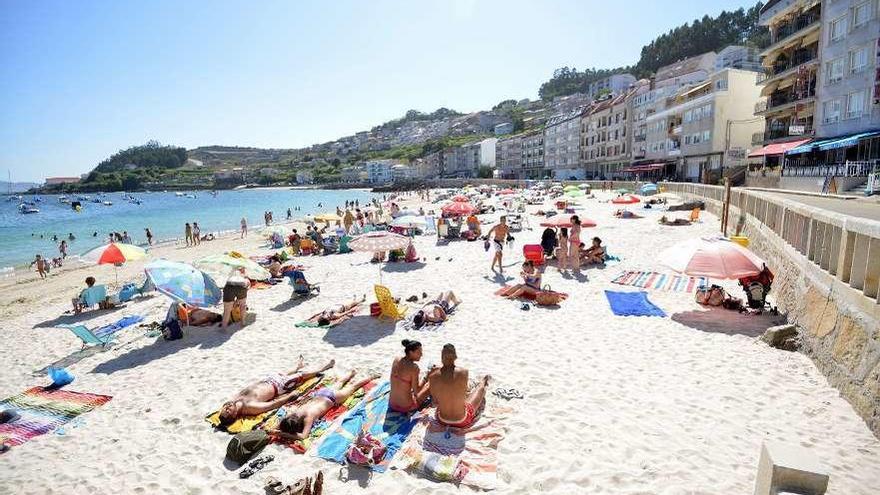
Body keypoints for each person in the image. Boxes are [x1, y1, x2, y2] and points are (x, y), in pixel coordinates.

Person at [217, 357, 336, 428]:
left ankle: (297, 365)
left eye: (224, 408)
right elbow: (272, 405)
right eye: (228, 410)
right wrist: (289, 397)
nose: (227, 407)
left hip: (268, 380)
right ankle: (324, 367)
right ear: (234, 415)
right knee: (302, 375)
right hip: (279, 386)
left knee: (284, 372)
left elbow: (227, 406)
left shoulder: (233, 401)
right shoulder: (250, 407)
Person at [270, 368, 379, 441]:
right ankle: (351, 373)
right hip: (322, 393)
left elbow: (303, 436)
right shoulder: (294, 413)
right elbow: (282, 422)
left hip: (331, 398)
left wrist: (282, 434)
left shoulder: (308, 417)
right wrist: (276, 430)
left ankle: (371, 377)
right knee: (339, 383)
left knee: (352, 387)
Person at [428, 344, 490, 429]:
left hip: (441, 420)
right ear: (455, 357)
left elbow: (435, 401)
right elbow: (463, 394)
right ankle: (483, 381)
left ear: (442, 357)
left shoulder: (433, 376)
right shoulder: (463, 372)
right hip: (462, 420)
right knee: (480, 389)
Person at [389, 339, 432, 413]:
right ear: (411, 352)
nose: (421, 354)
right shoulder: (414, 368)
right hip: (406, 407)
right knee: (430, 385)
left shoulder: (397, 359)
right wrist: (427, 377)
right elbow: (417, 392)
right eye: (419, 352)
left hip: (392, 404)